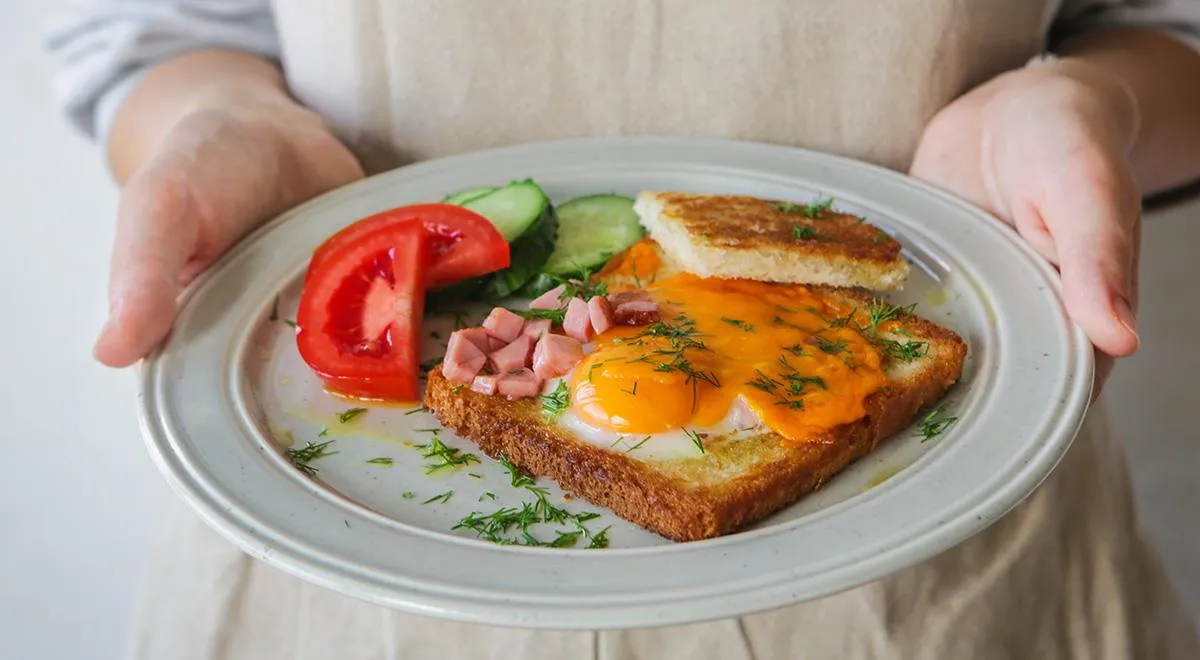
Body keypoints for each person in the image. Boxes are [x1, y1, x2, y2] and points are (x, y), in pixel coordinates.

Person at [46, 1, 1200, 658]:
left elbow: (1166, 26)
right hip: (341, 583)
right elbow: (150, 36)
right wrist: (220, 116)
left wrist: (1094, 105)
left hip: (951, 592)